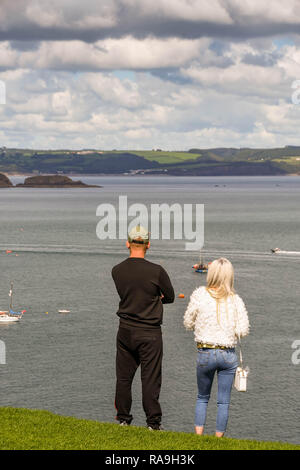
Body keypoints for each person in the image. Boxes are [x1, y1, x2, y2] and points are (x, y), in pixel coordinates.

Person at [112, 225, 175, 430]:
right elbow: (170, 297)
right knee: (150, 379)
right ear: (148, 245)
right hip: (150, 332)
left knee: (123, 377)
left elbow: (129, 294)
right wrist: (155, 300)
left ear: (127, 243)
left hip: (125, 330)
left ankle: (123, 419)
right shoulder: (157, 271)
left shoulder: (117, 271)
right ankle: (153, 424)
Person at [183, 257, 250, 437]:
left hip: (206, 351)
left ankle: (198, 436)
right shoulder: (236, 300)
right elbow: (243, 330)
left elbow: (188, 322)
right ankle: (218, 439)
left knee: (202, 397)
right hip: (228, 354)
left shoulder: (199, 294)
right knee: (223, 402)